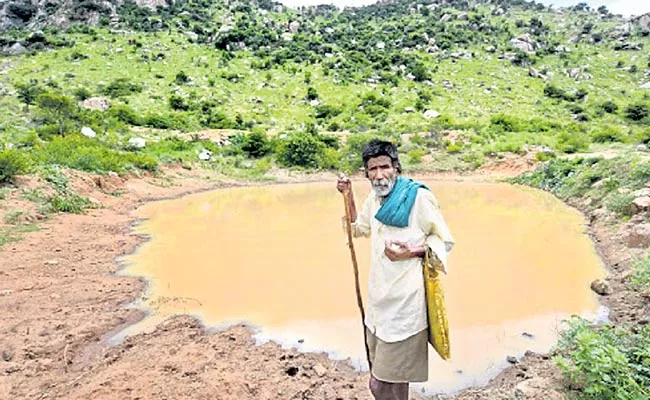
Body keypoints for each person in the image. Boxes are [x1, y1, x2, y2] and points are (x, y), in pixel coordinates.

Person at [336, 139, 454, 400]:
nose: (379, 175)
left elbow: (444, 242)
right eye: (372, 169)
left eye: (384, 167)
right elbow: (358, 228)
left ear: (396, 167)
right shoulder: (375, 199)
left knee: (378, 386)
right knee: (396, 385)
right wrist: (348, 196)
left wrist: (411, 252)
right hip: (378, 308)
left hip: (405, 311)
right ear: (366, 173)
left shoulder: (419, 198)